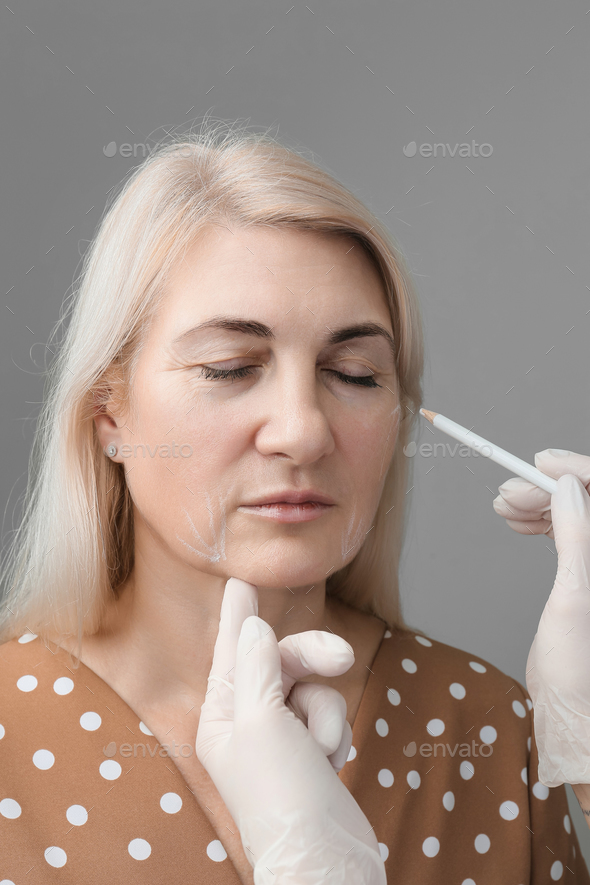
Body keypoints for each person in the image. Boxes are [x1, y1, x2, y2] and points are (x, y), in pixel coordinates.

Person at [0, 120, 589, 884]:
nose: (304, 432)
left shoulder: (483, 726)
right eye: (229, 366)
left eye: (354, 373)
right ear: (109, 413)